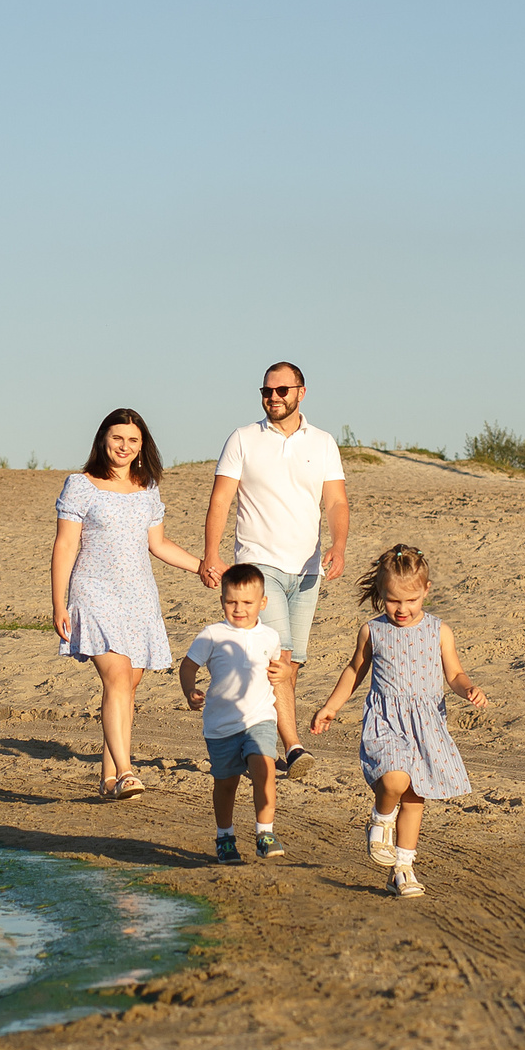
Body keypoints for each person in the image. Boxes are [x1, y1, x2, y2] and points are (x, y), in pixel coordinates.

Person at [309, 543, 489, 899]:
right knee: (394, 779)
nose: (402, 609)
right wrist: (331, 706)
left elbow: (454, 673)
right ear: (380, 594)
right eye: (393, 601)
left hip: (426, 723)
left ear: (426, 590)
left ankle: (402, 869)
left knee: (415, 796)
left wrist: (468, 689)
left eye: (410, 600)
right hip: (386, 719)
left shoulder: (440, 631)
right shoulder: (372, 631)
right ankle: (379, 818)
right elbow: (354, 671)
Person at [199, 361, 348, 781]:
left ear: (301, 392)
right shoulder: (243, 439)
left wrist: (338, 545)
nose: (273, 398)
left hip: (307, 570)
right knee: (280, 657)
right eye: (266, 391)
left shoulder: (322, 443)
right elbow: (221, 500)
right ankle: (295, 748)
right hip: (258, 563)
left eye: (282, 390)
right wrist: (212, 553)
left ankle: (259, 739)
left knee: (290, 663)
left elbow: (335, 502)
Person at [53, 407, 207, 799]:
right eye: (117, 438)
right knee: (118, 679)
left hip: (139, 596)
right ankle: (126, 770)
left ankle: (107, 780)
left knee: (128, 686)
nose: (124, 446)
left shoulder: (147, 487)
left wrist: (202, 568)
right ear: (103, 439)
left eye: (133, 440)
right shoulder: (81, 485)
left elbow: (158, 544)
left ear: (142, 447)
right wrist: (58, 603)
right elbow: (66, 545)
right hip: (94, 592)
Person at [177, 562, 288, 865]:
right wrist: (190, 691)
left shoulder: (270, 636)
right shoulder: (212, 634)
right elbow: (187, 666)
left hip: (259, 718)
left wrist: (282, 672)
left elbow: (278, 668)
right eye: (231, 602)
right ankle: (225, 837)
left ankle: (265, 833)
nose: (239, 609)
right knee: (226, 784)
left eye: (247, 603)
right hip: (221, 725)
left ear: (262, 603)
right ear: (222, 600)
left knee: (264, 766)